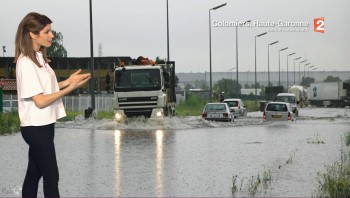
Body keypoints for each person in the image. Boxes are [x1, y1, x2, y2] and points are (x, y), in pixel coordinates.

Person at [15, 12, 91, 198]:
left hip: (45, 124)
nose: (52, 35)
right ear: (33, 34)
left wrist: (67, 81)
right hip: (35, 127)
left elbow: (45, 89)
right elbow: (40, 101)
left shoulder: (39, 58)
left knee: (34, 173)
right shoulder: (25, 63)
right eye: (47, 31)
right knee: (51, 175)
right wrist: (69, 88)